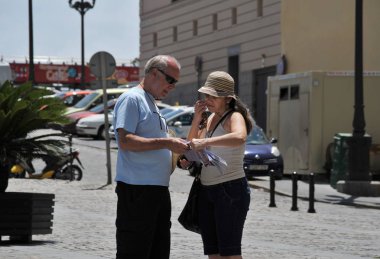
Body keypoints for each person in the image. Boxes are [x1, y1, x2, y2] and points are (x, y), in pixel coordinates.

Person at [113, 55, 189, 259]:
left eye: (175, 82)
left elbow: (156, 145)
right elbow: (125, 141)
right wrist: (167, 143)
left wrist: (178, 156)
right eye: (170, 80)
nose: (172, 87)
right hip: (137, 191)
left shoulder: (151, 102)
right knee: (134, 252)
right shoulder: (132, 99)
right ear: (154, 73)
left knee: (158, 252)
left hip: (157, 191)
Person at [180, 71, 253, 259]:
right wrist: (197, 118)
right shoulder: (210, 117)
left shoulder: (234, 116)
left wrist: (203, 143)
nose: (208, 99)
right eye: (206, 95)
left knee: (230, 252)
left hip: (229, 189)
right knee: (213, 252)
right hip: (206, 190)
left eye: (214, 96)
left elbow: (239, 137)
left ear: (227, 99)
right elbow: (192, 143)